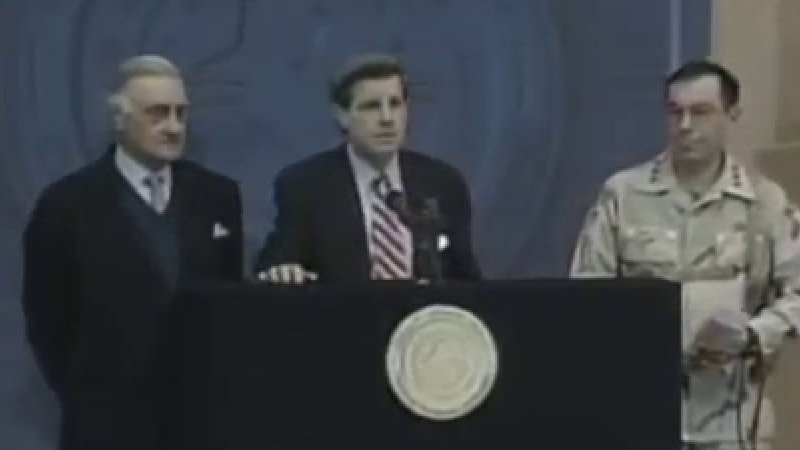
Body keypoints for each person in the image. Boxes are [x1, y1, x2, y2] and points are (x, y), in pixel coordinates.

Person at [570, 60, 800, 450]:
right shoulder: (623, 195)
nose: (686, 126)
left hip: (733, 423)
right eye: (675, 112)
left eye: (701, 112)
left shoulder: (764, 202)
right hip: (638, 414)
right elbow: (584, 296)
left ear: (732, 114)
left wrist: (753, 335)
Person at [22, 54, 243, 450]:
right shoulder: (66, 204)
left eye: (180, 113)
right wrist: (91, 392)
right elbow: (48, 320)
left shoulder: (218, 197)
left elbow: (229, 300)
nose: (173, 127)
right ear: (119, 119)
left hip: (203, 419)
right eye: (158, 113)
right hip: (106, 423)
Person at [254, 53, 480, 283]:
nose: (387, 119)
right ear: (342, 115)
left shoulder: (442, 183)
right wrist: (283, 271)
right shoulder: (306, 186)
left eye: (395, 104)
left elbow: (467, 279)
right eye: (372, 107)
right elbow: (277, 263)